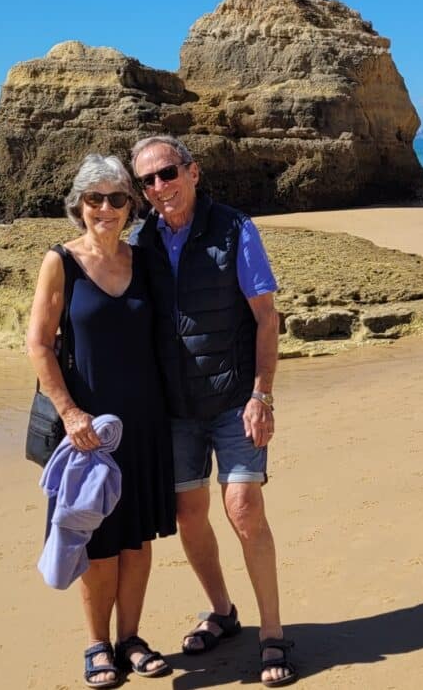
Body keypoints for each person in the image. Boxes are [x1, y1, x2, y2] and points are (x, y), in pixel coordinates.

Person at [129, 136, 297, 687]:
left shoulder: (235, 229)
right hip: (175, 406)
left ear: (193, 172)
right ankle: (223, 612)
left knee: (244, 507)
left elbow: (267, 317)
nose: (159, 187)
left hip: (233, 400)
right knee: (187, 513)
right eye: (147, 180)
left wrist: (262, 393)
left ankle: (272, 634)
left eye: (168, 173)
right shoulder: (142, 240)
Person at [26, 154, 177, 688]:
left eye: (116, 198)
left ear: (131, 207)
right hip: (89, 432)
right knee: (96, 540)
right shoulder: (60, 262)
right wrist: (69, 413)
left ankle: (131, 638)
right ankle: (97, 645)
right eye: (95, 199)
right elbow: (39, 345)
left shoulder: (143, 261)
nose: (106, 208)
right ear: (79, 206)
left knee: (137, 540)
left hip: (144, 423)